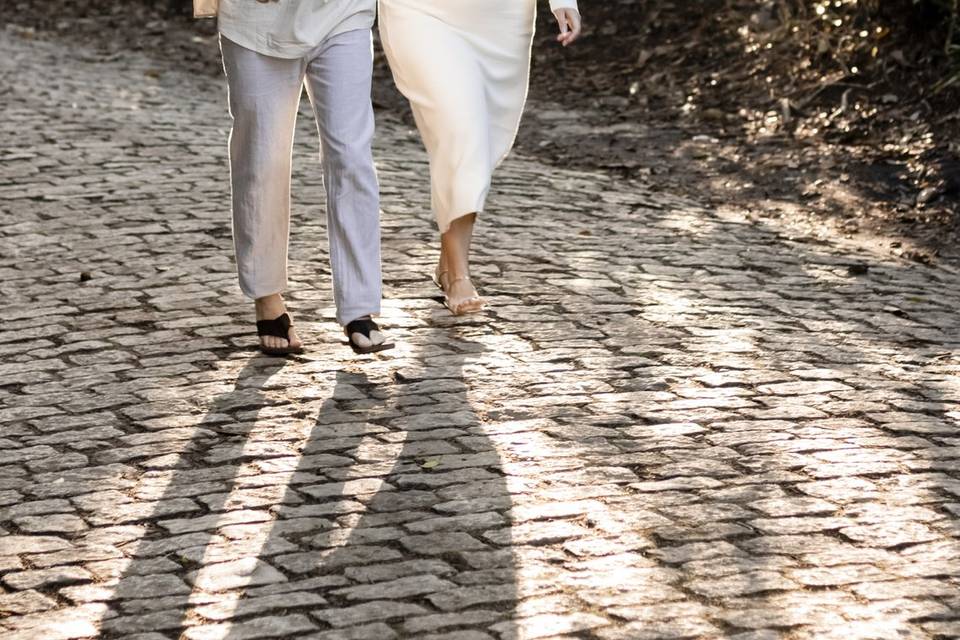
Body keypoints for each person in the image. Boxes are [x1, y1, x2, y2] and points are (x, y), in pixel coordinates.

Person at [378, 0, 582, 315]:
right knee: (460, 125)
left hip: (498, 18)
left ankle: (449, 260)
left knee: (470, 138)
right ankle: (459, 276)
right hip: (419, 11)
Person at [218, 0, 392, 354]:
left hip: (343, 11)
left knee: (351, 153)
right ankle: (267, 295)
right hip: (255, 19)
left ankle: (359, 307)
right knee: (262, 157)